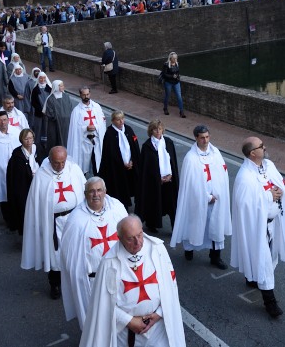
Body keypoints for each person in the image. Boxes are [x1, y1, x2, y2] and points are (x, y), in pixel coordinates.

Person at [80, 216, 186, 347]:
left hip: (158, 328)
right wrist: (129, 321)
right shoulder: (110, 263)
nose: (137, 242)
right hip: (127, 333)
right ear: (119, 238)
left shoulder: (157, 249)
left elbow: (170, 284)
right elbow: (104, 303)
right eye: (130, 238)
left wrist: (159, 313)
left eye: (140, 235)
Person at [230, 137, 285, 318]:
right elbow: (244, 204)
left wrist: (280, 190)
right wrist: (268, 196)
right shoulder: (245, 177)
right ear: (252, 153)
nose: (264, 148)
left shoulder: (268, 165)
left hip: (274, 223)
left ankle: (253, 277)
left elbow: (278, 182)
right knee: (264, 261)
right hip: (257, 227)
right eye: (261, 146)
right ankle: (270, 303)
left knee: (271, 257)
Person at [59, 177, 128, 328]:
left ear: (105, 192)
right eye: (91, 191)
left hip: (120, 274)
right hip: (93, 281)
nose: (95, 194)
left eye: (99, 190)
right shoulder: (76, 220)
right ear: (85, 194)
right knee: (97, 323)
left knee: (123, 318)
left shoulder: (117, 209)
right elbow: (70, 257)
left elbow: (130, 236)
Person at [21, 146, 86, 300]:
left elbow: (85, 191)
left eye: (63, 162)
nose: (60, 166)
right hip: (52, 222)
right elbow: (35, 204)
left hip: (73, 220)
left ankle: (75, 283)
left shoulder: (74, 170)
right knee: (55, 255)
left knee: (76, 253)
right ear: (49, 160)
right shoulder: (42, 176)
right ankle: (55, 284)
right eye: (56, 163)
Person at [170, 125, 231, 269]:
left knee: (215, 226)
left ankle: (215, 257)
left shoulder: (216, 153)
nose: (205, 140)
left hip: (216, 200)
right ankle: (189, 249)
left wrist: (218, 193)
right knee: (195, 224)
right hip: (197, 200)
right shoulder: (191, 158)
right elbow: (190, 184)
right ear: (196, 138)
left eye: (207, 137)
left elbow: (223, 175)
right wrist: (206, 196)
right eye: (202, 137)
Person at [135, 120, 178, 233]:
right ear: (151, 131)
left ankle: (175, 227)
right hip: (154, 182)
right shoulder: (147, 146)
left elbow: (172, 162)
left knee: (172, 204)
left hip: (169, 180)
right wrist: (157, 178)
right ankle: (151, 224)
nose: (158, 131)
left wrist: (170, 175)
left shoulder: (168, 142)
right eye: (155, 129)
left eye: (159, 129)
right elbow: (146, 168)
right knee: (154, 203)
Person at [98, 111, 141, 210]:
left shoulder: (129, 129)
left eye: (122, 118)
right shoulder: (109, 134)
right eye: (118, 119)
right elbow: (109, 154)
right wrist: (122, 164)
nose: (121, 121)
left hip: (131, 166)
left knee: (134, 186)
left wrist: (132, 161)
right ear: (113, 121)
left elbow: (135, 147)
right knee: (121, 189)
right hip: (118, 169)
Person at [67, 87, 107, 176]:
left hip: (96, 141)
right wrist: (85, 128)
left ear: (90, 94)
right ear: (80, 95)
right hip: (84, 143)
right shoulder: (76, 111)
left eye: (88, 94)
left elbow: (102, 122)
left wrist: (96, 126)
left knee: (98, 164)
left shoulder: (97, 107)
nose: (86, 96)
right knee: (83, 166)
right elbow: (74, 129)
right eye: (84, 94)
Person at [6, 128, 39, 235]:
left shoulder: (36, 149)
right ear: (22, 140)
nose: (29, 141)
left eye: (30, 138)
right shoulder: (17, 157)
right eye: (26, 139)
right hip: (24, 188)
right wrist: (30, 174)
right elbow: (18, 177)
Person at [44, 79, 75, 150]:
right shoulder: (50, 99)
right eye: (61, 86)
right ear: (56, 87)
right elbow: (50, 112)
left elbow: (70, 107)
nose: (63, 87)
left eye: (63, 85)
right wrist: (58, 118)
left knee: (66, 139)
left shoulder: (66, 96)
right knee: (55, 140)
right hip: (55, 124)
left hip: (66, 124)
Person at [29, 71, 53, 158]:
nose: (42, 80)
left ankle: (47, 146)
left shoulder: (49, 88)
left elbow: (51, 101)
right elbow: (33, 102)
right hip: (39, 114)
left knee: (47, 130)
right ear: (38, 79)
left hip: (47, 113)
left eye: (43, 78)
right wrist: (41, 110)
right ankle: (38, 148)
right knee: (38, 130)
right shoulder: (35, 90)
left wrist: (47, 110)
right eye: (40, 78)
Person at [160, 52, 185, 118]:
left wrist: (178, 77)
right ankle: (165, 108)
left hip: (176, 82)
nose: (175, 59)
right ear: (170, 58)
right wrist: (172, 76)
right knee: (167, 96)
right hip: (168, 82)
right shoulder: (166, 64)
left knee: (179, 96)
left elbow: (178, 72)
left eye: (176, 58)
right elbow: (164, 74)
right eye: (174, 58)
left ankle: (181, 111)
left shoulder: (177, 64)